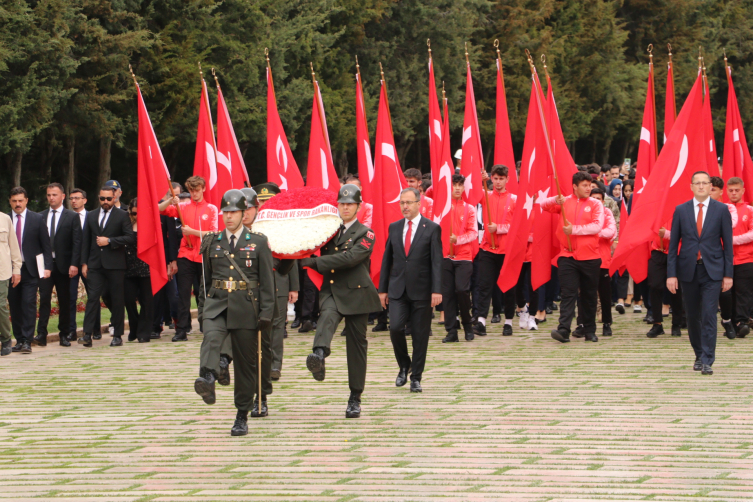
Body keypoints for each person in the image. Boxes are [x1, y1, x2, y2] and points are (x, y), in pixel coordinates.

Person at [194, 190, 275, 436]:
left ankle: (241, 415)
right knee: (211, 338)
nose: (228, 217)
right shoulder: (211, 241)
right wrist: (201, 310)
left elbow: (267, 281)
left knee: (245, 365)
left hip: (246, 307)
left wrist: (266, 312)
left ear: (243, 213)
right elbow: (205, 280)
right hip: (217, 303)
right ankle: (208, 377)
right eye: (225, 212)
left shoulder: (258, 242)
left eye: (233, 212)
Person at [302, 184, 381, 417]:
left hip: (358, 293)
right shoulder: (328, 230)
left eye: (350, 204)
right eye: (342, 203)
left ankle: (355, 397)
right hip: (333, 290)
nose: (345, 207)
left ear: (358, 206)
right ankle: (318, 354)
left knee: (356, 347)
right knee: (326, 316)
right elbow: (305, 247)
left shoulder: (366, 233)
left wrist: (315, 263)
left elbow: (350, 258)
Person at [667, 171, 734, 376]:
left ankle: (707, 358)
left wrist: (728, 274)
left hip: (712, 270)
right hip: (688, 269)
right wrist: (672, 274)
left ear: (711, 186)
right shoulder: (681, 210)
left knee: (709, 314)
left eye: (706, 183)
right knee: (693, 315)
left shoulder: (721, 210)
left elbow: (728, 245)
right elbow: (673, 246)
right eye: (698, 183)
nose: (702, 186)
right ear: (691, 186)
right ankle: (698, 354)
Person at [378, 187, 442, 393]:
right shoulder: (394, 227)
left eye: (408, 202)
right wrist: (382, 289)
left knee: (420, 335)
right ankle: (404, 364)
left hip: (422, 290)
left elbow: (436, 262)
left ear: (418, 203)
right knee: (395, 328)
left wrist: (437, 289)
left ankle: (416, 377)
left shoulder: (431, 228)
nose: (405, 206)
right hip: (397, 289)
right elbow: (387, 259)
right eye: (402, 203)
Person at [542, 172, 604, 343]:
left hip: (590, 257)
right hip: (567, 256)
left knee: (589, 295)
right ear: (574, 187)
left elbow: (597, 226)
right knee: (568, 293)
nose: (588, 188)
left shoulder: (596, 204)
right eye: (584, 185)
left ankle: (589, 330)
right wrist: (556, 199)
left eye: (590, 185)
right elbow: (543, 205)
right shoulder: (565, 201)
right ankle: (563, 329)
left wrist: (574, 230)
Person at [244, 186, 299, 382]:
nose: (266, 205)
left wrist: (294, 287)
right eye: (263, 201)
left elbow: (291, 254)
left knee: (277, 325)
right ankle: (256, 361)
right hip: (256, 283)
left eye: (270, 201)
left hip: (279, 280)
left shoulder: (280, 224)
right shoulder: (249, 225)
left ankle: (275, 365)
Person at [159, 176, 218, 342]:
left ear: (203, 189)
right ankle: (182, 329)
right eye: (192, 190)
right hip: (185, 254)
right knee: (183, 294)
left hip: (204, 254)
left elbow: (214, 233)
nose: (195, 193)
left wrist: (192, 232)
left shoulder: (211, 208)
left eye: (197, 190)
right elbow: (160, 209)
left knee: (205, 292)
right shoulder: (182, 206)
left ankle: (207, 325)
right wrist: (170, 200)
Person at [80, 186, 135, 347]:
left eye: (108, 199)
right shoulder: (91, 215)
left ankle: (117, 334)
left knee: (117, 299)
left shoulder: (122, 215)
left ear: (115, 198)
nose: (105, 202)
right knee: (92, 298)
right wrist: (84, 262)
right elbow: (86, 241)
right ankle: (87, 334)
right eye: (102, 198)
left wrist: (110, 241)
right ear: (98, 198)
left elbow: (129, 238)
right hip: (95, 264)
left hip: (115, 264)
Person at [36, 183, 81, 347]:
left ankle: (64, 334)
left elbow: (77, 242)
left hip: (64, 265)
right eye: (48, 195)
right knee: (45, 299)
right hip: (46, 265)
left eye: (54, 195)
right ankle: (41, 333)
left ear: (62, 196)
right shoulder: (40, 216)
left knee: (65, 299)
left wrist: (74, 264)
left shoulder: (71, 216)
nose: (51, 198)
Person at [474, 165, 517, 337]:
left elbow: (516, 226)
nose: (498, 182)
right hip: (487, 248)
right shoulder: (485, 194)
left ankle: (508, 322)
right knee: (484, 285)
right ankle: (481, 321)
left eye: (501, 179)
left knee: (508, 287)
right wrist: (480, 179)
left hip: (507, 250)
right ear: (491, 178)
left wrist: (498, 228)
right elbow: (470, 194)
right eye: (495, 178)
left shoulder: (514, 199)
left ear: (507, 179)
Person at [8, 187, 52, 353]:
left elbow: (46, 245)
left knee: (28, 303)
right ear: (10, 201)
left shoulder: (37, 218)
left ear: (26, 200)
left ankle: (27, 340)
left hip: (31, 269)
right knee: (15, 304)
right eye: (14, 201)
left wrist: (47, 267)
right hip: (11, 269)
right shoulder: (5, 219)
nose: (17, 204)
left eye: (20, 200)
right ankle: (18, 339)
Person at [440, 174, 477, 343]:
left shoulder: (470, 208)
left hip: (463, 257)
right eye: (454, 184)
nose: (457, 188)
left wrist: (458, 240)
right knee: (447, 295)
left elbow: (474, 232)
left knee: (462, 290)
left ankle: (468, 324)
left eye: (460, 185)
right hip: (445, 256)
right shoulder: (442, 207)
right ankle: (451, 330)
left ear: (464, 188)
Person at [576, 188, 616, 337]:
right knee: (584, 294)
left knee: (604, 294)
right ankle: (582, 324)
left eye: (598, 199)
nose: (595, 201)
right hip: (584, 258)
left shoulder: (607, 213)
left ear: (603, 201)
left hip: (602, 259)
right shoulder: (583, 212)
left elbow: (611, 232)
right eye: (593, 198)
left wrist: (592, 230)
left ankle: (606, 323)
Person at [722, 177, 753, 338]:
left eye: (737, 190)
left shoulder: (750, 210)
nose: (734, 193)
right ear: (726, 191)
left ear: (743, 191)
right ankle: (731, 323)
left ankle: (742, 322)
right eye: (731, 190)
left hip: (745, 258)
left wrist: (731, 240)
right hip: (725, 259)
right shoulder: (721, 209)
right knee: (727, 292)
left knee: (743, 292)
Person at [123, 198, 154, 343]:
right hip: (128, 267)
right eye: (134, 213)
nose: (136, 216)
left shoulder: (151, 225)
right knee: (129, 300)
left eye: (139, 213)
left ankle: (144, 331)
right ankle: (134, 327)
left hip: (147, 267)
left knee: (147, 301)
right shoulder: (126, 225)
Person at [0, 211, 22, 356]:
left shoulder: (4, 218)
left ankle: (6, 338)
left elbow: (14, 246)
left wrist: (17, 269)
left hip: (2, 271)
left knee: (0, 305)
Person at [68, 188, 89, 340]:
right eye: (71, 198)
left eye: (77, 198)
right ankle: (71, 330)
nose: (74, 201)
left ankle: (94, 329)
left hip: (89, 263)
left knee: (93, 296)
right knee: (70, 297)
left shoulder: (92, 217)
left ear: (84, 200)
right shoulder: (66, 217)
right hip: (71, 264)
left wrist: (86, 262)